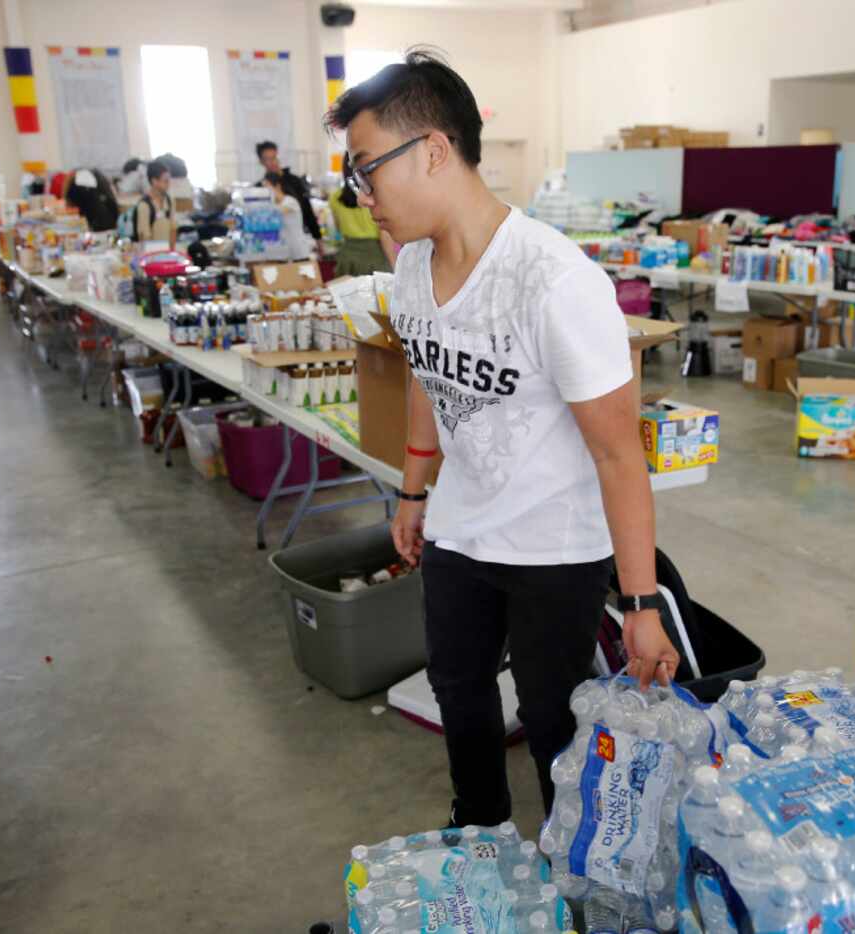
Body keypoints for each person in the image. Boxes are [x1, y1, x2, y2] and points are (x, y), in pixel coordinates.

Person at [327, 50, 680, 827]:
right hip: (460, 529)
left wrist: (641, 602)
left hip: (553, 547)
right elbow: (425, 373)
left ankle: (564, 855)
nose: (361, 196)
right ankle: (479, 824)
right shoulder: (413, 266)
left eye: (364, 171)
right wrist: (415, 490)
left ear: (432, 151)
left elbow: (620, 454)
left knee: (553, 717)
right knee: (458, 687)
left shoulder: (552, 280)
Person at [256, 141, 322, 246]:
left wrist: (318, 237)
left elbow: (307, 210)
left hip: (299, 237)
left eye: (274, 157)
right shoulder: (259, 188)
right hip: (274, 242)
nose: (272, 162)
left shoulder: (294, 181)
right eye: (267, 159)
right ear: (261, 161)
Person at [328, 183, 391, 276]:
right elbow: (384, 235)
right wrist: (393, 263)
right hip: (374, 255)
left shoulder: (335, 196)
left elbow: (337, 226)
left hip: (348, 253)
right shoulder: (372, 196)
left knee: (346, 289)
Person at [263, 172, 315, 261]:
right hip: (285, 252)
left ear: (277, 186)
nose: (265, 191)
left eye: (267, 187)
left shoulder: (290, 202)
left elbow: (277, 213)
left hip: (299, 252)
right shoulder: (274, 204)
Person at [136, 161, 175, 244]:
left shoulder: (169, 200)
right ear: (154, 181)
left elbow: (173, 229)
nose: (169, 184)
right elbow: (144, 238)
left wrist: (171, 251)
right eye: (165, 181)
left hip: (167, 252)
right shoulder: (144, 205)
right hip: (152, 253)